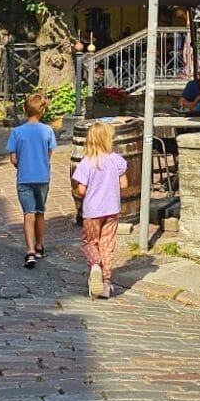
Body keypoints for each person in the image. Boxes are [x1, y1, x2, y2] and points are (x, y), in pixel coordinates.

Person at [72, 122, 130, 299]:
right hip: (112, 209)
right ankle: (106, 283)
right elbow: (124, 184)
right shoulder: (116, 160)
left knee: (90, 242)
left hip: (92, 211)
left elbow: (81, 190)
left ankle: (95, 265)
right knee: (107, 244)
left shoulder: (87, 162)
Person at [7, 92, 57, 268]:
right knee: (40, 212)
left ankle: (30, 251)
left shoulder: (17, 132)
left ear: (25, 109)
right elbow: (48, 155)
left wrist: (21, 165)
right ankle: (40, 245)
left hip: (24, 178)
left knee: (28, 214)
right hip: (42, 177)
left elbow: (13, 159)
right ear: (42, 111)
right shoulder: (48, 130)